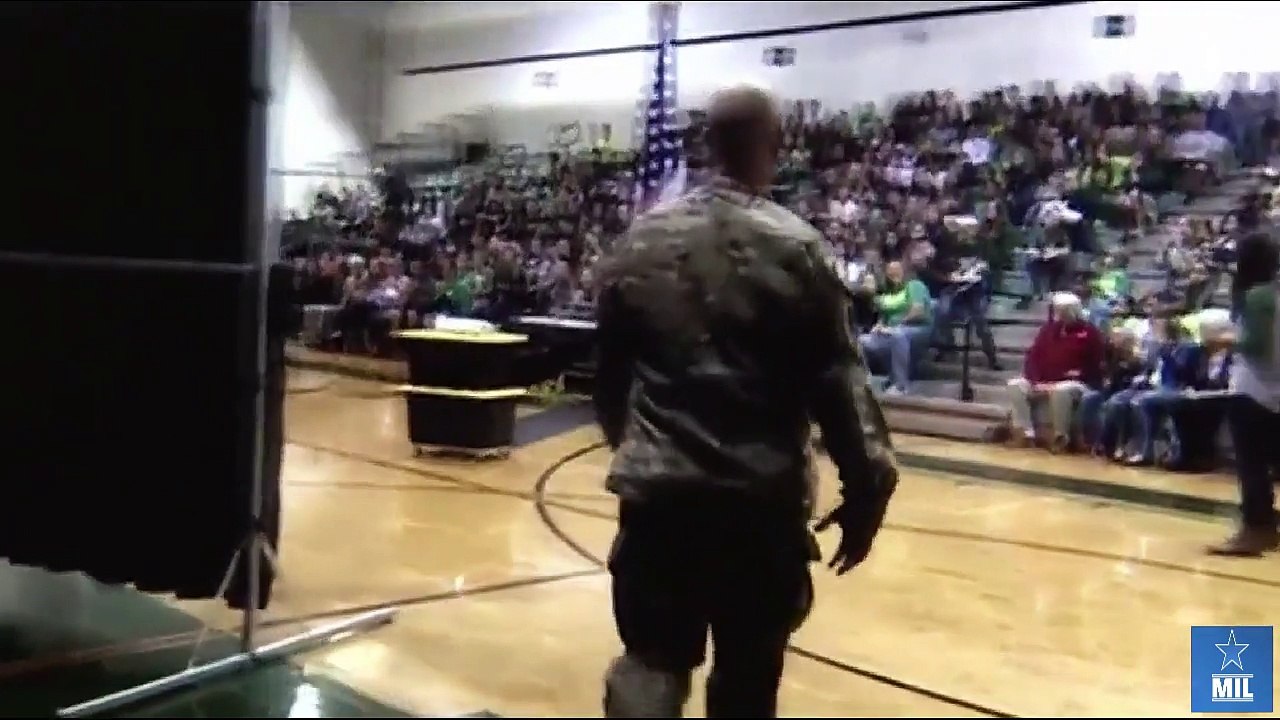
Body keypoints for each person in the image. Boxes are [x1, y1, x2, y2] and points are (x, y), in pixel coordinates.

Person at [593, 86, 898, 718]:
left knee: (651, 662)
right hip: (758, 507)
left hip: (659, 501)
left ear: (707, 145)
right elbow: (840, 383)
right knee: (747, 678)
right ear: (772, 148)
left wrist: (637, 448)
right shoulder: (796, 247)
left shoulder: (639, 242)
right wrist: (869, 487)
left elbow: (609, 380)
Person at [1208, 233, 1280, 555]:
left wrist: (1224, 341)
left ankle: (1256, 530)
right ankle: (1264, 526)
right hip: (1273, 387)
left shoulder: (1256, 296)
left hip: (1253, 389)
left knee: (1251, 466)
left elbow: (1257, 346)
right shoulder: (1272, 293)